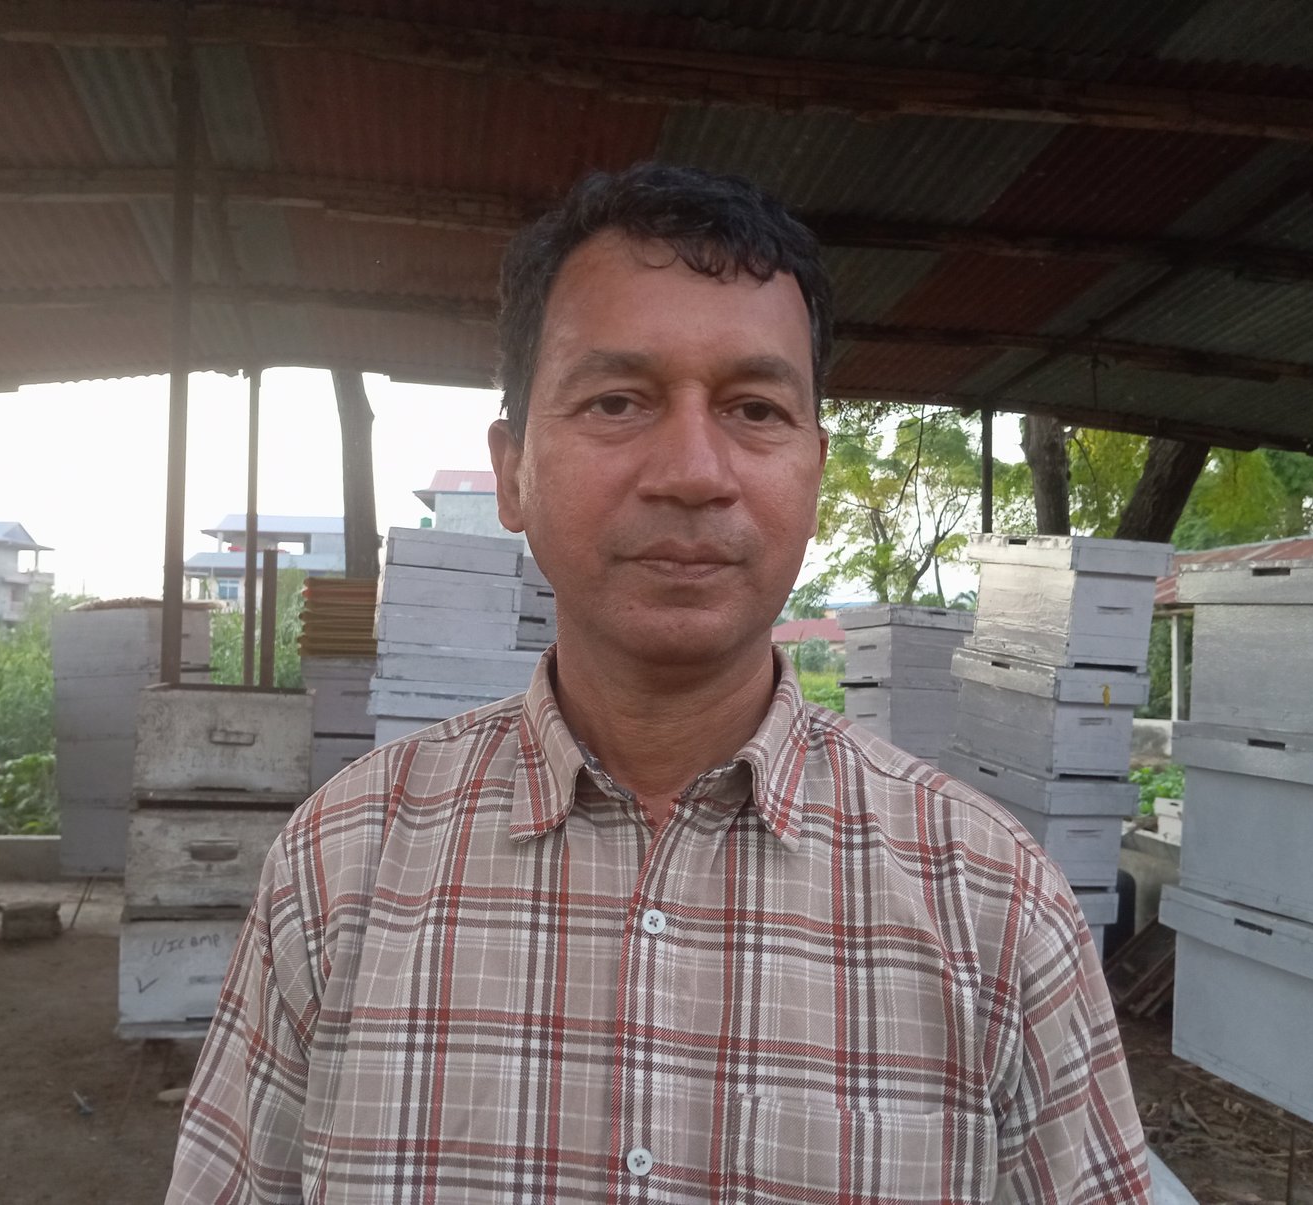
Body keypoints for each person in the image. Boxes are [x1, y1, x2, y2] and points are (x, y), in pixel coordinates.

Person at [165, 163, 1150, 1204]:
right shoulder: (339, 866)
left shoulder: (993, 904)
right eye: (618, 400)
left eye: (754, 408)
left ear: (813, 470)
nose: (692, 471)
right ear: (511, 470)